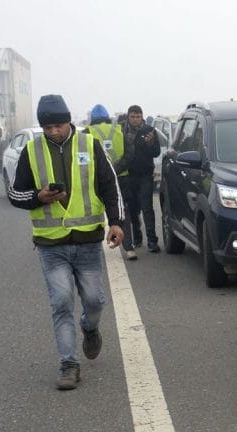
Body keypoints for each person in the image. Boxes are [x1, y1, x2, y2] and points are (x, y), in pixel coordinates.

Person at [8, 94, 125, 390]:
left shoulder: (89, 144)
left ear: (69, 121)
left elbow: (110, 185)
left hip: (87, 242)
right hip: (51, 245)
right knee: (61, 302)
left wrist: (116, 222)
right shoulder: (31, 151)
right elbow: (15, 194)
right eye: (48, 128)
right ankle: (69, 364)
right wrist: (38, 196)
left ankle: (90, 328)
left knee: (94, 301)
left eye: (58, 126)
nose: (54, 132)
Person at [86, 104, 138, 260]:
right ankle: (129, 249)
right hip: (121, 178)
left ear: (92, 119)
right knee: (123, 212)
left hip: (96, 180)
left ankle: (90, 250)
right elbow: (130, 154)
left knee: (93, 212)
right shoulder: (120, 131)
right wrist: (115, 170)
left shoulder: (87, 133)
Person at [121, 105, 161, 252]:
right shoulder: (122, 131)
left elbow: (156, 152)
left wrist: (150, 144)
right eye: (133, 117)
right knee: (132, 210)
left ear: (142, 117)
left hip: (145, 176)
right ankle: (137, 237)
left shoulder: (149, 130)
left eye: (138, 117)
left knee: (147, 208)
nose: (135, 120)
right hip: (128, 176)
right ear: (128, 117)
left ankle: (152, 241)